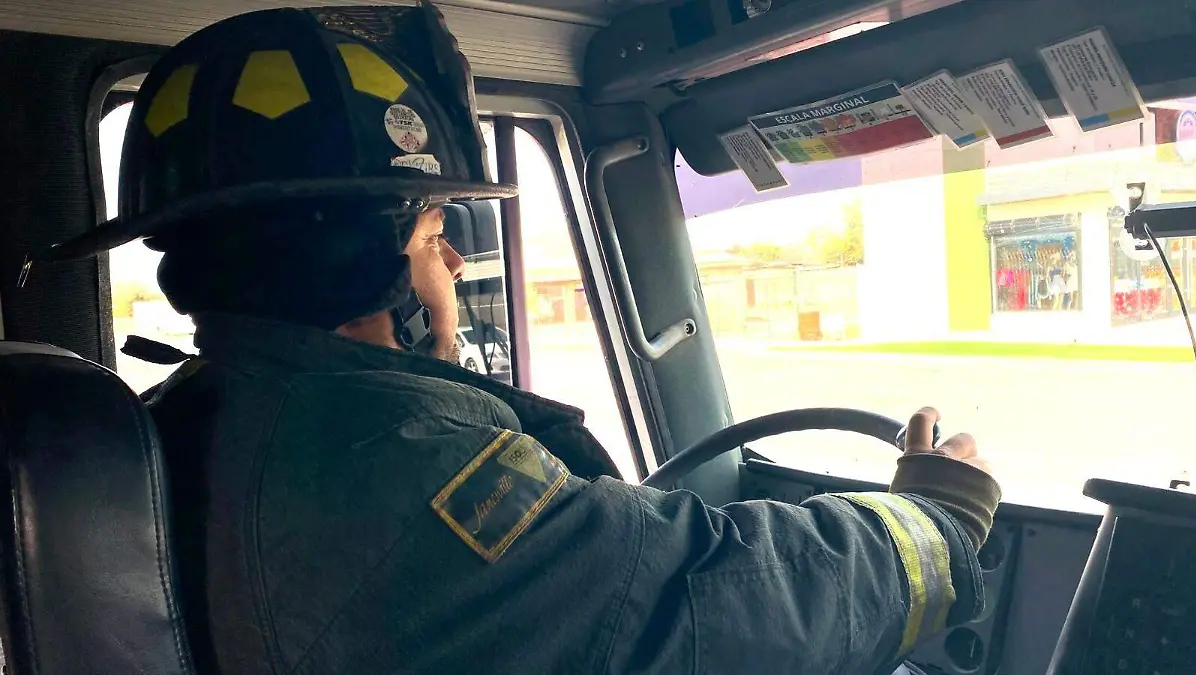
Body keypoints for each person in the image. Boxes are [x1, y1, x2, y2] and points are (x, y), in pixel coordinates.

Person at [38, 4, 1002, 674]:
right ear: (365, 254)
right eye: (428, 231)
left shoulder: (193, 416)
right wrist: (934, 526)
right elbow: (706, 612)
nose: (450, 262)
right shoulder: (389, 464)